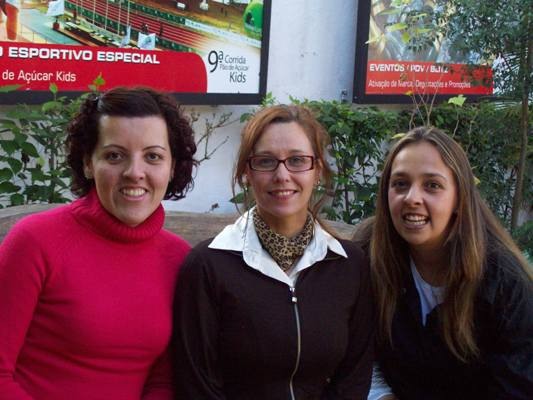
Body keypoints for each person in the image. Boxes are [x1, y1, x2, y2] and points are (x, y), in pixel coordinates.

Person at [0, 87, 197, 399]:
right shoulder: (35, 241)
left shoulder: (179, 260)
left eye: (153, 156)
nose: (135, 172)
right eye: (114, 155)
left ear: (172, 167)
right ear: (88, 163)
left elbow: (163, 381)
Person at [172, 105, 375, 399]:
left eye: (297, 160)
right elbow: (197, 385)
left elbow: (354, 376)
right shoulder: (208, 266)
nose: (282, 175)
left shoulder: (349, 265)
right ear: (246, 173)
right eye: (266, 162)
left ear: (317, 170)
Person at [365, 126, 533, 400]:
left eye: (432, 185)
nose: (412, 198)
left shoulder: (505, 283)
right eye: (400, 184)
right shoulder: (370, 257)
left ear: (459, 198)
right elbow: (358, 354)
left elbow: (518, 386)